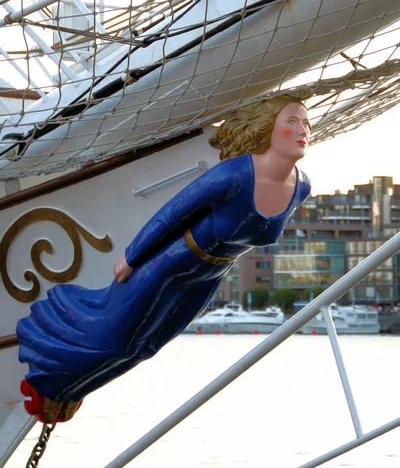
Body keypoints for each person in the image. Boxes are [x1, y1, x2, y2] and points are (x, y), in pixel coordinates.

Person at [17, 95, 311, 423]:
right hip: (170, 263)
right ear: (266, 127)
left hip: (212, 273)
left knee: (148, 348)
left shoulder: (301, 187)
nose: (303, 130)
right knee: (119, 343)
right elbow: (172, 215)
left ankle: (70, 391)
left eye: (306, 123)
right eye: (292, 121)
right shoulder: (234, 175)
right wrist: (132, 257)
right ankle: (45, 378)